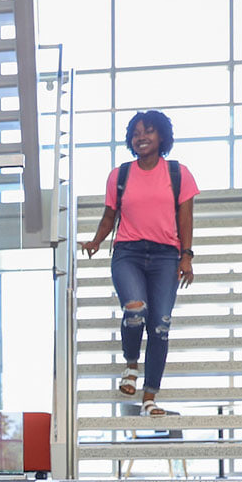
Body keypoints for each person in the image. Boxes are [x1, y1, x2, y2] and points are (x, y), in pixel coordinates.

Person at [80, 109, 199, 419]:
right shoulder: (120, 175)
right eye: (136, 133)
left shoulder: (178, 173)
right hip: (127, 253)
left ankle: (150, 398)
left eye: (148, 131)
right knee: (135, 311)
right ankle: (131, 363)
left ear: (161, 136)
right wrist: (95, 241)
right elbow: (110, 216)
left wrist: (186, 255)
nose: (141, 137)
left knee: (160, 325)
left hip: (165, 256)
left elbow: (185, 217)